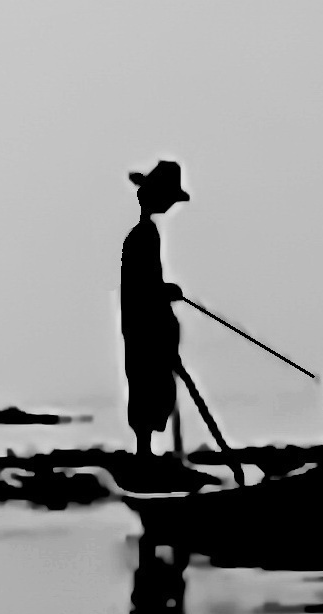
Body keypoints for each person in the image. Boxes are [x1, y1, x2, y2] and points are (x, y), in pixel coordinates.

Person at [121, 161, 191, 457]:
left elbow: (145, 285)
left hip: (143, 328)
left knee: (151, 388)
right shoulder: (144, 235)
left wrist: (164, 291)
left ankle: (149, 454)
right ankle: (146, 455)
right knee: (149, 387)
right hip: (147, 330)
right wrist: (165, 291)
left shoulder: (144, 233)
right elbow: (144, 287)